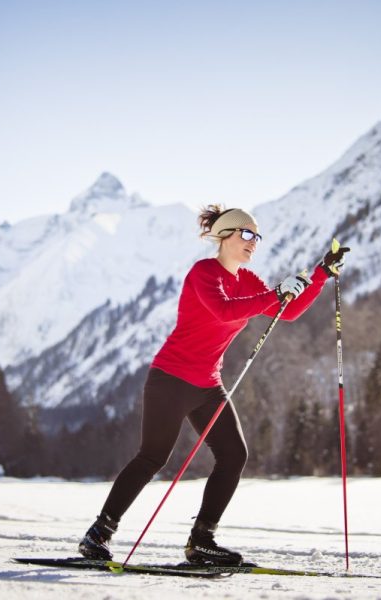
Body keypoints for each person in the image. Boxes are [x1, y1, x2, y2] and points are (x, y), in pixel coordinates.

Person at [78, 205, 349, 566]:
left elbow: (289, 311)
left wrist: (319, 274)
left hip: (207, 385)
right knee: (152, 458)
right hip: (170, 380)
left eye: (257, 236)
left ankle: (202, 540)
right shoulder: (203, 273)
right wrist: (276, 293)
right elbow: (223, 310)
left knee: (234, 455)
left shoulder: (248, 280)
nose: (254, 242)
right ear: (226, 236)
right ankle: (99, 534)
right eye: (247, 234)